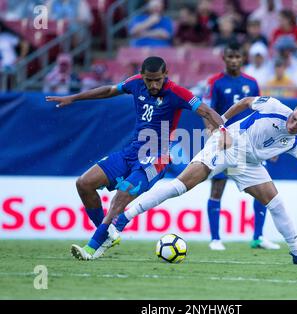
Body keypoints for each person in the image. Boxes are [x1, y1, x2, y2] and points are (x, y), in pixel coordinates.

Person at [95, 97, 297, 265]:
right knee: (180, 186)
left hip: (248, 163)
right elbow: (244, 103)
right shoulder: (274, 106)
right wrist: (219, 123)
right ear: (293, 110)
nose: (293, 124)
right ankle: (124, 217)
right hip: (226, 143)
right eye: (294, 117)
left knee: (276, 203)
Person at [46, 56, 225, 260]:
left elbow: (207, 111)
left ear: (166, 75)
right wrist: (74, 98)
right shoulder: (135, 84)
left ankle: (92, 247)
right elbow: (108, 90)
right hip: (132, 152)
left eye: (158, 79)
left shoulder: (177, 92)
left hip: (159, 158)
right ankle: (106, 235)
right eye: (149, 80)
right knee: (84, 183)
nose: (154, 84)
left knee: (123, 193)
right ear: (142, 76)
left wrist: (224, 131)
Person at [202, 42, 280, 250]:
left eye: (237, 57)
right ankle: (215, 239)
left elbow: (261, 113)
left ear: (242, 58)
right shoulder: (215, 83)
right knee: (218, 186)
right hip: (225, 140)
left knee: (262, 188)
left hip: (251, 143)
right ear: (224, 59)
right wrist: (213, 134)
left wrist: (268, 142)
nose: (234, 61)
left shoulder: (251, 83)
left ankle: (258, 237)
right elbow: (206, 111)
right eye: (230, 57)